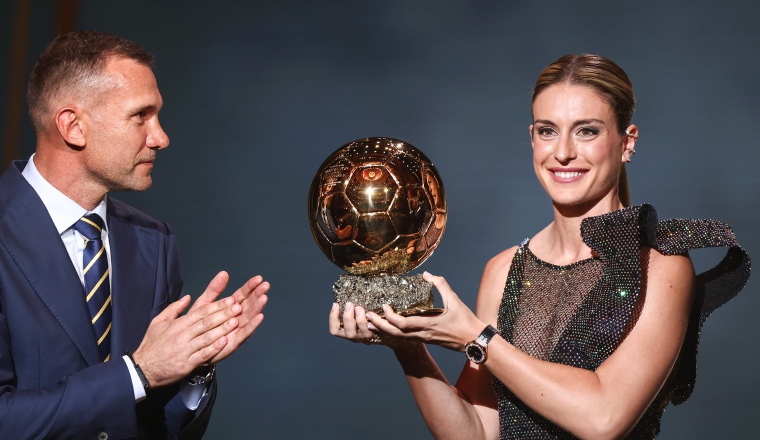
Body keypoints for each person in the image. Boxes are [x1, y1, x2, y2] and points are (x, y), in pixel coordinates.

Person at [330, 54, 750, 439]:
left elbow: (604, 419)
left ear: (627, 142)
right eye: (548, 131)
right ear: (532, 139)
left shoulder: (659, 263)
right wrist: (411, 349)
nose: (563, 153)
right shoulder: (504, 269)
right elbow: (476, 433)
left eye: (587, 131)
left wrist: (475, 338)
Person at [0, 31, 270, 439]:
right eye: (140, 115)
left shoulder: (152, 242)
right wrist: (138, 373)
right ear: (73, 126)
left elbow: (162, 426)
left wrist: (194, 366)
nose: (160, 137)